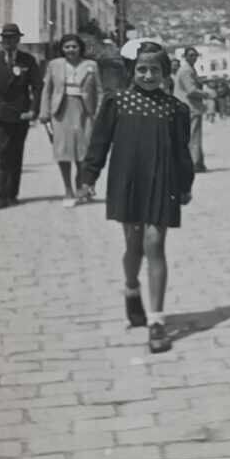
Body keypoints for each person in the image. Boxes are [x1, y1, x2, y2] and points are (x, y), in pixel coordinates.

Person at [79, 44, 194, 354]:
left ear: (164, 73)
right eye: (142, 69)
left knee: (154, 244)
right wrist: (88, 178)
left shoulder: (175, 109)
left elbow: (182, 152)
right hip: (127, 181)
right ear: (132, 71)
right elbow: (99, 143)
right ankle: (131, 287)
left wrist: (185, 184)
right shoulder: (116, 103)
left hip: (162, 181)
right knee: (134, 245)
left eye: (155, 70)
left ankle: (156, 321)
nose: (147, 75)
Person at [0, 23, 41, 209]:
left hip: (21, 115)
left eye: (12, 38)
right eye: (5, 38)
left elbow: (37, 87)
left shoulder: (28, 60)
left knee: (15, 153)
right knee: (0, 153)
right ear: (1, 40)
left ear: (18, 40)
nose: (9, 41)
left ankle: (12, 193)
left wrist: (34, 110)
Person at [39, 33, 101, 206]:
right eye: (67, 47)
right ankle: (68, 190)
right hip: (61, 111)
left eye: (74, 46)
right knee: (63, 152)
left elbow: (100, 90)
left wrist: (99, 113)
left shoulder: (91, 65)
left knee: (84, 152)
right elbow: (47, 90)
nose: (71, 50)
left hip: (84, 111)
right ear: (62, 49)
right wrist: (44, 112)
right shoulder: (54, 65)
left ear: (80, 47)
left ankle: (81, 186)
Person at [174, 46, 206, 171]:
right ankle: (194, 163)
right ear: (185, 57)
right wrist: (208, 94)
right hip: (190, 106)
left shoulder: (189, 69)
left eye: (195, 55)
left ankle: (198, 162)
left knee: (193, 135)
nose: (194, 57)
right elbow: (191, 91)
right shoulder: (186, 70)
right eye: (191, 55)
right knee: (193, 136)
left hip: (188, 106)